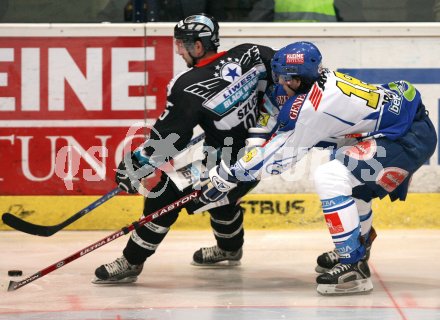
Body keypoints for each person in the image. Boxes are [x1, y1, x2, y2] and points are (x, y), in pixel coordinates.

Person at [199, 41, 437, 295]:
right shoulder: (316, 79)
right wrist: (254, 145)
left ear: (298, 79)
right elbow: (271, 110)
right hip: (398, 129)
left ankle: (353, 266)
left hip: (406, 137)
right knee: (353, 185)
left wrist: (226, 175)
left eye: (282, 78)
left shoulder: (314, 107)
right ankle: (358, 245)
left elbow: (279, 157)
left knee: (331, 176)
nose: (278, 83)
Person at [93, 13, 276, 283]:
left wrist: (135, 167)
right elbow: (291, 73)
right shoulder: (252, 53)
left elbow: (172, 137)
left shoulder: (187, 85)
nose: (179, 50)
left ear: (197, 46)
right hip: (263, 152)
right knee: (214, 197)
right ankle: (229, 248)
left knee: (164, 194)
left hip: (232, 162)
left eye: (181, 44)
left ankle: (131, 261)